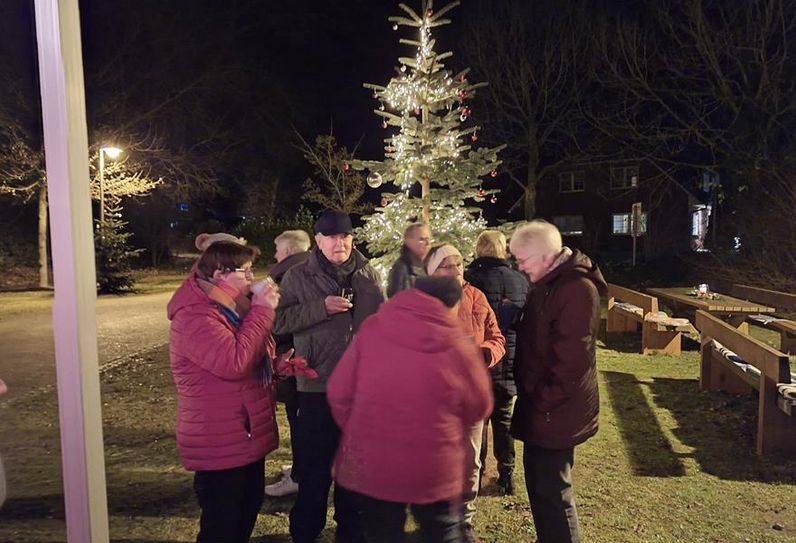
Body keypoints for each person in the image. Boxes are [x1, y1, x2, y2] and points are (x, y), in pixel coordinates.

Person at [327, 276, 493, 543]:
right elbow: (480, 403)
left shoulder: (372, 329)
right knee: (443, 531)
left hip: (376, 461)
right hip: (434, 465)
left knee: (382, 530)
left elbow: (339, 391)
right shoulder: (457, 342)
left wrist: (359, 428)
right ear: (449, 306)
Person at [274, 209, 384, 543]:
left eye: (347, 236)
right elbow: (278, 323)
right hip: (317, 386)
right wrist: (321, 307)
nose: (341, 243)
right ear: (318, 240)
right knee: (314, 471)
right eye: (333, 237)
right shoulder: (297, 276)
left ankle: (350, 531)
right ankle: (306, 531)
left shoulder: (369, 275)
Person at [167, 240, 281, 543]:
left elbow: (250, 353)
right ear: (219, 274)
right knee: (223, 525)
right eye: (244, 271)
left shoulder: (230, 307)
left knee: (245, 513)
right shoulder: (196, 316)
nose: (251, 278)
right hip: (219, 437)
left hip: (243, 432)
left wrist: (278, 366)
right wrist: (262, 312)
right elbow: (234, 363)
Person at [508, 220, 607, 543]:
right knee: (540, 485)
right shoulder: (548, 282)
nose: (519, 267)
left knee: (553, 490)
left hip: (555, 409)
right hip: (542, 406)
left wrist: (542, 400)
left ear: (545, 255)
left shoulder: (577, 289)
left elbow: (571, 362)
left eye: (522, 260)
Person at [425, 243, 505, 543]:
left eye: (459, 263)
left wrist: (486, 353)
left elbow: (496, 337)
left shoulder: (476, 296)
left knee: (470, 460)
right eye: (447, 265)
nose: (456, 270)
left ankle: (464, 518)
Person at [464, 230, 529, 496]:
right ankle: (507, 474)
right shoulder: (520, 281)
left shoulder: (471, 280)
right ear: (502, 249)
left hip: (478, 362)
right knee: (503, 419)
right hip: (509, 360)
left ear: (479, 249)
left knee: (478, 420)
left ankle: (477, 475)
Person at [265, 229, 312, 498]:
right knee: (299, 417)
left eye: (278, 250)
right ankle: (298, 467)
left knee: (298, 418)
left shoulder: (286, 276)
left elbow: (281, 319)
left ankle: (298, 476)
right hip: (299, 354)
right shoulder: (309, 270)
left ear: (290, 252)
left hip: (292, 357)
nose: (275, 255)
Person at [387, 223, 433, 297]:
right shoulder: (402, 267)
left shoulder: (424, 266)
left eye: (429, 239)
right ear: (408, 241)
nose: (427, 243)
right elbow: (396, 300)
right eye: (422, 239)